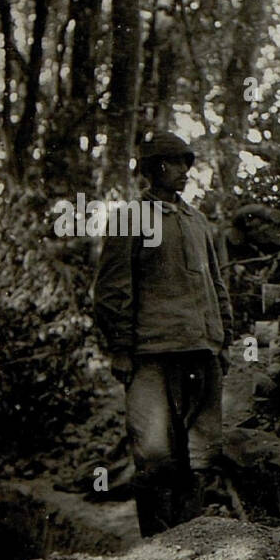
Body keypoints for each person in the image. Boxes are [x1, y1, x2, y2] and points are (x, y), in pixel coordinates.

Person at [93, 131, 232, 537]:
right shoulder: (129, 218)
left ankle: (193, 545)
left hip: (201, 351)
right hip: (151, 352)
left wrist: (221, 340)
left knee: (202, 454)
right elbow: (112, 289)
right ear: (155, 170)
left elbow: (217, 285)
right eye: (176, 163)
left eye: (188, 163)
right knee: (154, 455)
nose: (185, 172)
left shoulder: (198, 222)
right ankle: (157, 549)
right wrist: (121, 348)